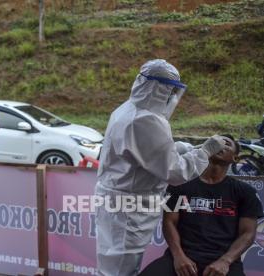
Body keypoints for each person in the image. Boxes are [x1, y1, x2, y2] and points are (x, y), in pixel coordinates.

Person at [95, 59, 229, 276]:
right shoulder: (146, 120)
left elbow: (138, 154)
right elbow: (175, 173)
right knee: (120, 270)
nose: (171, 97)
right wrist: (204, 152)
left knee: (111, 265)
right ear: (160, 90)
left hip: (117, 200)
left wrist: (177, 148)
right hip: (129, 208)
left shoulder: (127, 110)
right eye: (170, 91)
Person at [140, 135, 263, 276]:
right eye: (215, 142)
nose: (220, 145)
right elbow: (169, 222)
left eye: (227, 144)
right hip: (181, 257)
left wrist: (225, 261)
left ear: (234, 158)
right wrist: (179, 257)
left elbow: (248, 233)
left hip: (223, 261)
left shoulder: (245, 192)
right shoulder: (179, 184)